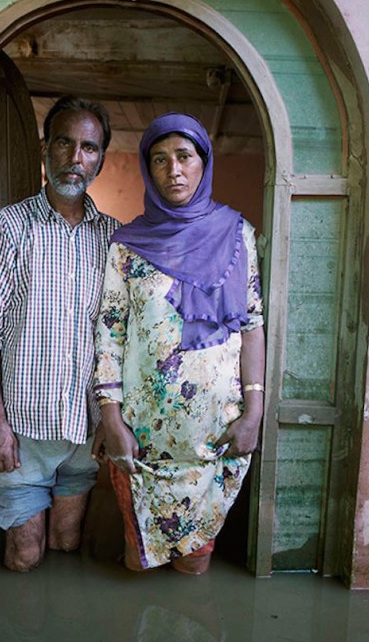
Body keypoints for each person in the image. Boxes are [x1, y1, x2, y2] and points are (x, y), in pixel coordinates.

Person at [93, 112, 265, 575]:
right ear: (148, 170)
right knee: (137, 560)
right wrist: (110, 418)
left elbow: (251, 325)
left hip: (213, 438)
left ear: (203, 163)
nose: (174, 170)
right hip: (141, 438)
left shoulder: (237, 236)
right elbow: (109, 330)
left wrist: (254, 413)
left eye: (184, 157)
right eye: (160, 159)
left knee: (193, 566)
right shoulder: (126, 247)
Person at [0, 96, 120, 572]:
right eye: (65, 143)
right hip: (22, 426)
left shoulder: (116, 238)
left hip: (86, 428)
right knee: (25, 555)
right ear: (44, 149)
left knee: (68, 543)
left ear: (100, 159)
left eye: (89, 148)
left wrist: (113, 422)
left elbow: (124, 336)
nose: (76, 158)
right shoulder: (6, 228)